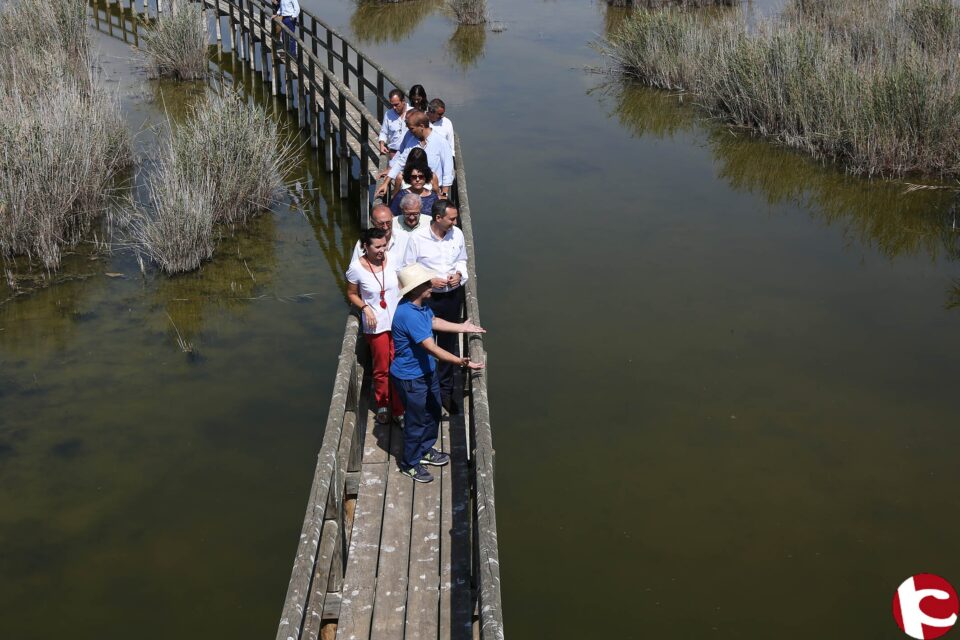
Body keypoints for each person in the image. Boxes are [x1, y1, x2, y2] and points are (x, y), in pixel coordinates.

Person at [390, 263, 484, 483]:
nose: (431, 285)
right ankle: (410, 463)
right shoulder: (408, 314)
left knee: (433, 410)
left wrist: (462, 327)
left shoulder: (422, 306)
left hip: (426, 370)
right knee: (416, 420)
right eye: (426, 283)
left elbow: (434, 321)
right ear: (415, 289)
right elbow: (431, 347)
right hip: (411, 377)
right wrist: (461, 362)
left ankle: (424, 449)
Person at [402, 199, 468, 414]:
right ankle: (427, 389)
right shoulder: (417, 238)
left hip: (451, 296)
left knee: (448, 344)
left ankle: (446, 392)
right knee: (424, 343)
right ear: (438, 218)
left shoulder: (456, 234)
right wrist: (429, 281)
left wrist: (459, 274)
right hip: (428, 297)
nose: (455, 222)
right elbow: (407, 268)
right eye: (452, 218)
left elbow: (462, 259)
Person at [346, 228, 404, 425]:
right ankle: (383, 404)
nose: (382, 250)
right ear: (365, 247)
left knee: (397, 364)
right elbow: (352, 293)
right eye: (377, 247)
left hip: (397, 321)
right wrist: (365, 308)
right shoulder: (356, 267)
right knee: (381, 367)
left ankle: (399, 408)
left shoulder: (393, 258)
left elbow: (403, 282)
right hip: (376, 324)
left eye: (384, 245)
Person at [375, 111, 453, 200]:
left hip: (433, 192)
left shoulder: (441, 142)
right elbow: (401, 162)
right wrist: (385, 183)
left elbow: (447, 170)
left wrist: (444, 194)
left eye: (412, 129)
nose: (410, 132)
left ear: (422, 126)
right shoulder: (412, 140)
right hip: (412, 190)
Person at [391, 193, 432, 258]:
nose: (411, 218)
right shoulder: (393, 223)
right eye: (407, 214)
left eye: (415, 214)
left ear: (420, 210)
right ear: (402, 211)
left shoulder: (430, 223)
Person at [378, 89, 409, 158]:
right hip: (393, 153)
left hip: (409, 154)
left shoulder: (412, 112)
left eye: (396, 104)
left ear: (403, 101)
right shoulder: (388, 114)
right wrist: (382, 145)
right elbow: (383, 132)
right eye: (392, 105)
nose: (394, 107)